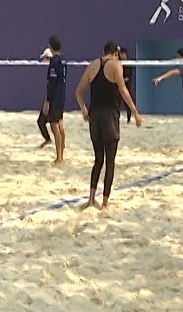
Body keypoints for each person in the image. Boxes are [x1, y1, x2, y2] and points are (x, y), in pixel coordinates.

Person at [75, 41, 144, 210]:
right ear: (115, 53)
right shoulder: (115, 65)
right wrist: (135, 112)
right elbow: (123, 90)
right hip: (109, 116)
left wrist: (83, 109)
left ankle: (91, 198)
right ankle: (105, 202)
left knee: (98, 160)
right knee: (110, 162)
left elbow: (78, 91)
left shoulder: (92, 65)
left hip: (94, 116)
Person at [152, 47, 183, 151]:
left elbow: (173, 72)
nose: (177, 59)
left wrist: (160, 78)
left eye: (178, 57)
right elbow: (175, 65)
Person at [42, 35, 67, 163]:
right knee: (60, 123)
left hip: (55, 98)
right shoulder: (63, 60)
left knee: (54, 126)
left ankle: (59, 158)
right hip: (62, 96)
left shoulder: (55, 62)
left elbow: (52, 83)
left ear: (50, 46)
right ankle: (62, 150)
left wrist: (47, 101)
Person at [37, 47, 53, 148]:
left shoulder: (52, 70)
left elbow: (51, 86)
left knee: (41, 121)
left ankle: (48, 140)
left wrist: (47, 101)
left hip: (51, 100)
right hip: (55, 99)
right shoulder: (57, 67)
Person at [118, 45, 134, 123]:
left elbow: (128, 77)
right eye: (121, 54)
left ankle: (129, 119)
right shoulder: (117, 63)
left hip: (126, 86)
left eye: (123, 54)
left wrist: (121, 80)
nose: (122, 55)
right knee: (116, 103)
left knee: (128, 103)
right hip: (118, 86)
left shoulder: (129, 63)